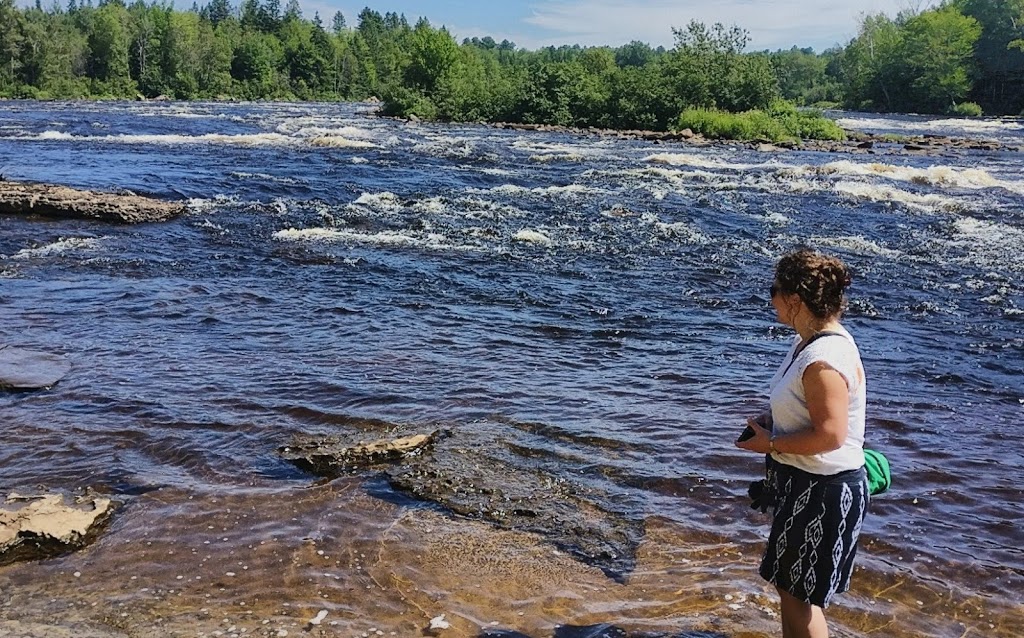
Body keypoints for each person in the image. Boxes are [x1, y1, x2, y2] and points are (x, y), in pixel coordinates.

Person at [736, 249, 869, 638]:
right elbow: (807, 411)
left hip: (824, 491)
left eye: (774, 290)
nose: (771, 298)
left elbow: (831, 435)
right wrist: (773, 421)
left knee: (800, 597)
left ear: (795, 300)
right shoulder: (810, 342)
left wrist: (772, 444)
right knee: (789, 588)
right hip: (804, 484)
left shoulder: (822, 360)